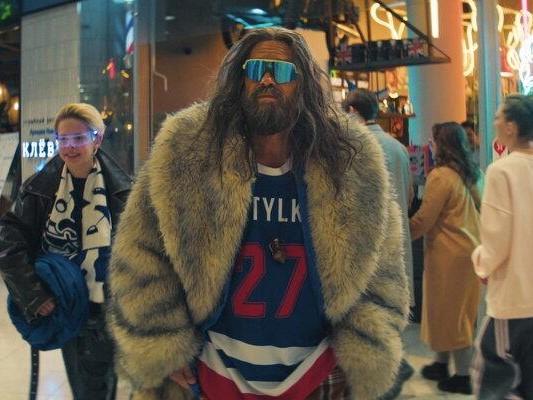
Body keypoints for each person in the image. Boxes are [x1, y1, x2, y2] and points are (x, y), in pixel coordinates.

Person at [108, 27, 409, 400]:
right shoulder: (187, 149)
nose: (267, 80)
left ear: (303, 84)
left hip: (318, 372)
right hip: (210, 371)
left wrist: (362, 350)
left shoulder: (350, 162)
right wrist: (161, 339)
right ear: (240, 80)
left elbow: (383, 269)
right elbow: (139, 253)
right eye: (255, 70)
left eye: (281, 71)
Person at [0, 103, 132, 400]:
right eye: (63, 139)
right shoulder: (38, 189)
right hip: (68, 303)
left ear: (97, 139)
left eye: (79, 138)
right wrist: (33, 295)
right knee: (90, 386)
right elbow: (9, 242)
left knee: (104, 382)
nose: (70, 147)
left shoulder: (124, 190)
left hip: (114, 306)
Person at [342, 89, 414, 399]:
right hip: (398, 243)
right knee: (392, 310)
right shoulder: (398, 148)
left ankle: (384, 376)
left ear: (353, 111)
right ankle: (396, 364)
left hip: (365, 246)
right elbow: (409, 196)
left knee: (368, 315)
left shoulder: (353, 146)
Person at [410, 122, 482, 395]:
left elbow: (424, 219)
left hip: (448, 256)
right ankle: (441, 364)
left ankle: (463, 376)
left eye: (433, 140)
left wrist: (399, 232)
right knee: (449, 311)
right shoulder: (467, 173)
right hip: (466, 252)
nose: (430, 144)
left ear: (443, 145)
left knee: (453, 315)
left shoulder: (440, 176)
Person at [470, 94, 533, 399]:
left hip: (514, 298)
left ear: (511, 126)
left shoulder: (502, 171)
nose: (493, 122)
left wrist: (480, 262)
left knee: (494, 382)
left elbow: (496, 241)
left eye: (498, 117)